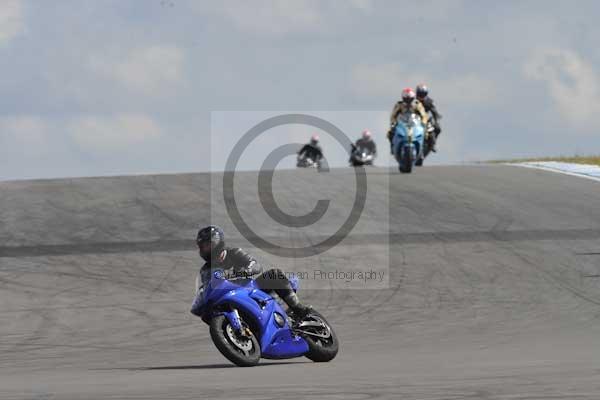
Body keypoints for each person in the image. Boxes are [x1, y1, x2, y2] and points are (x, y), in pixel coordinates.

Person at [192, 225, 312, 317]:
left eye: (208, 245)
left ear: (217, 242)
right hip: (228, 297)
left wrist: (246, 271)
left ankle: (297, 308)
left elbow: (255, 265)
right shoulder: (206, 269)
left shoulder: (234, 253)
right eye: (203, 247)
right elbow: (208, 286)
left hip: (250, 289)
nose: (205, 249)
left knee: (274, 274)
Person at [387, 88, 429, 154]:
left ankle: (423, 149)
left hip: (415, 124)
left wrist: (423, 123)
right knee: (390, 133)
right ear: (403, 98)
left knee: (426, 133)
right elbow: (393, 115)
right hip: (403, 124)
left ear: (413, 98)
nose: (408, 101)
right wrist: (394, 123)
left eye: (410, 99)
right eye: (406, 99)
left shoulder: (417, 104)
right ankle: (392, 147)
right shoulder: (399, 105)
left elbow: (424, 115)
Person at [416, 84, 442, 152]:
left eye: (423, 94)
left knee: (437, 129)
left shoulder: (428, 101)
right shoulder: (412, 101)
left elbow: (434, 111)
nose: (421, 96)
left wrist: (437, 118)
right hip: (413, 120)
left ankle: (432, 144)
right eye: (420, 94)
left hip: (425, 120)